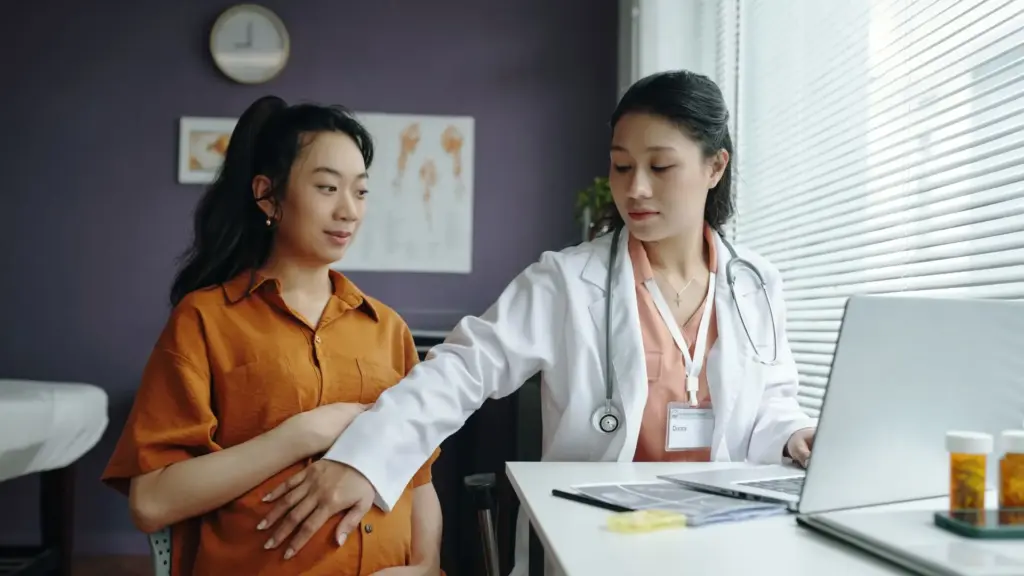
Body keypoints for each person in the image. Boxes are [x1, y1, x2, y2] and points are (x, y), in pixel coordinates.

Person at [257, 70, 819, 572]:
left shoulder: (756, 283)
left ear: (715, 166)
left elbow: (769, 403)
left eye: (660, 166)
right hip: (604, 537)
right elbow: (459, 371)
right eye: (621, 166)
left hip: (720, 533)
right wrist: (366, 458)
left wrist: (795, 437)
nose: (635, 188)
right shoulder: (565, 281)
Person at [100, 96, 442, 576]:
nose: (348, 211)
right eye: (327, 187)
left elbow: (420, 480)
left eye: (360, 192)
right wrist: (299, 435)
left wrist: (426, 565)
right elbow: (152, 501)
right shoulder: (204, 320)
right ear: (268, 196)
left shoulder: (388, 329)